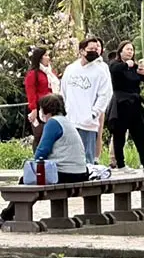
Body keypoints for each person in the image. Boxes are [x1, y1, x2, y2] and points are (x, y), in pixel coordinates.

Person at [1, 94, 88, 224]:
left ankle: (8, 215)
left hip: (65, 173)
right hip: (81, 172)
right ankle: (9, 214)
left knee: (26, 180)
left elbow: (41, 152)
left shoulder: (53, 123)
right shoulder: (67, 121)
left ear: (45, 109)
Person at [108, 41, 144, 173]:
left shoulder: (135, 67)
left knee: (142, 133)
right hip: (120, 103)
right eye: (127, 49)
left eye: (132, 50)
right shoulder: (116, 64)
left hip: (135, 104)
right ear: (120, 51)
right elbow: (113, 70)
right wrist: (125, 65)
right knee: (119, 134)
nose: (130, 52)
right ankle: (120, 165)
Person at [60, 37, 112, 164]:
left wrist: (94, 113)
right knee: (70, 157)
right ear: (82, 51)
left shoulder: (100, 71)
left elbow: (105, 94)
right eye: (91, 49)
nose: (94, 51)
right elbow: (63, 91)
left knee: (87, 158)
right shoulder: (71, 69)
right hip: (70, 120)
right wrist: (64, 111)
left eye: (96, 49)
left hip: (88, 123)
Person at [23, 47, 59, 150]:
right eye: (46, 55)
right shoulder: (33, 74)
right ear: (39, 58)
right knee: (40, 136)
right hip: (40, 108)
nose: (48, 58)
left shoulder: (50, 73)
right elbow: (31, 93)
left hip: (53, 107)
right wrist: (33, 109)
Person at [93, 38, 112, 163]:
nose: (96, 49)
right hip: (84, 105)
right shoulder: (79, 65)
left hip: (99, 105)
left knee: (98, 132)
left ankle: (96, 158)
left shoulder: (103, 66)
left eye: (98, 46)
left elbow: (108, 87)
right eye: (94, 47)